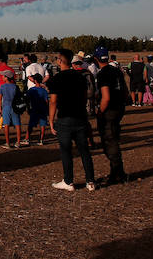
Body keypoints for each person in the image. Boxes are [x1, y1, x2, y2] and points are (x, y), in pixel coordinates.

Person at [47, 49, 95, 192]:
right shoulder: (80, 77)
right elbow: (85, 96)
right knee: (84, 150)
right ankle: (90, 181)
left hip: (65, 118)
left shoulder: (57, 79)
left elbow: (53, 101)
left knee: (66, 151)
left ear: (60, 61)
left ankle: (68, 181)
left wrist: (51, 119)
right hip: (80, 117)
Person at [94, 46, 128, 185]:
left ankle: (118, 173)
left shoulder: (103, 74)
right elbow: (125, 91)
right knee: (114, 137)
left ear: (96, 59)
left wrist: (100, 112)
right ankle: (116, 172)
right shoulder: (117, 71)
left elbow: (106, 97)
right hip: (119, 107)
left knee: (109, 141)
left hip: (109, 110)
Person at [0, 68, 23, 149]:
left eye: (3, 76)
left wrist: (0, 108)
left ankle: (8, 143)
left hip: (6, 107)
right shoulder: (15, 87)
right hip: (15, 107)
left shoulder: (2, 87)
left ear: (6, 77)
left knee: (6, 125)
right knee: (17, 125)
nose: (2, 77)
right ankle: (18, 142)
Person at [25, 73, 49, 146]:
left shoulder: (32, 90)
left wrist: (28, 108)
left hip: (34, 109)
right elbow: (46, 101)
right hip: (42, 109)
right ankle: (41, 140)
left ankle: (27, 139)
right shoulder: (44, 90)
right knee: (43, 124)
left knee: (31, 125)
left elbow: (27, 100)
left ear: (34, 81)